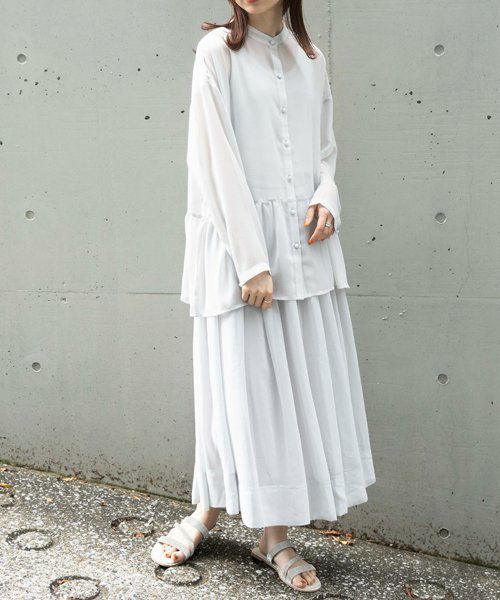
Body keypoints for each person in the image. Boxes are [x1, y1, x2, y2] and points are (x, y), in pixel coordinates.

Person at [151, 0, 376, 592]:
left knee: (291, 394)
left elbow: (323, 149)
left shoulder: (311, 58)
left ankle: (272, 537)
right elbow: (213, 160)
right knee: (233, 386)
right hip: (238, 250)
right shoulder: (217, 54)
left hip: (305, 245)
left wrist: (328, 195)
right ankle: (206, 511)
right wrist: (251, 261)